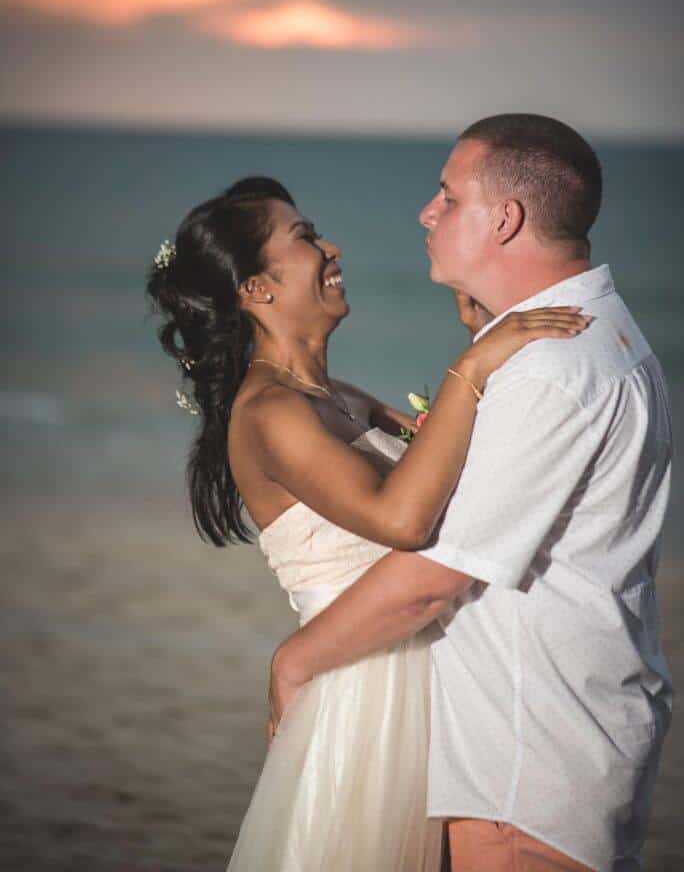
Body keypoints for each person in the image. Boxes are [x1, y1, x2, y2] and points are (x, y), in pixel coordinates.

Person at [145, 173, 588, 871]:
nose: (331, 247)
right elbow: (404, 520)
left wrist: (486, 335)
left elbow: (452, 486)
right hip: (362, 697)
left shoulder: (337, 397)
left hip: (417, 674)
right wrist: (472, 366)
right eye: (305, 238)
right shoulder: (269, 414)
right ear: (257, 289)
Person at [269, 115, 673, 872]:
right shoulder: (588, 336)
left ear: (506, 219)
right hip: (559, 743)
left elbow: (432, 580)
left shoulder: (551, 369)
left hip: (528, 767)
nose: (427, 212)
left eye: (448, 197)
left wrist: (293, 662)